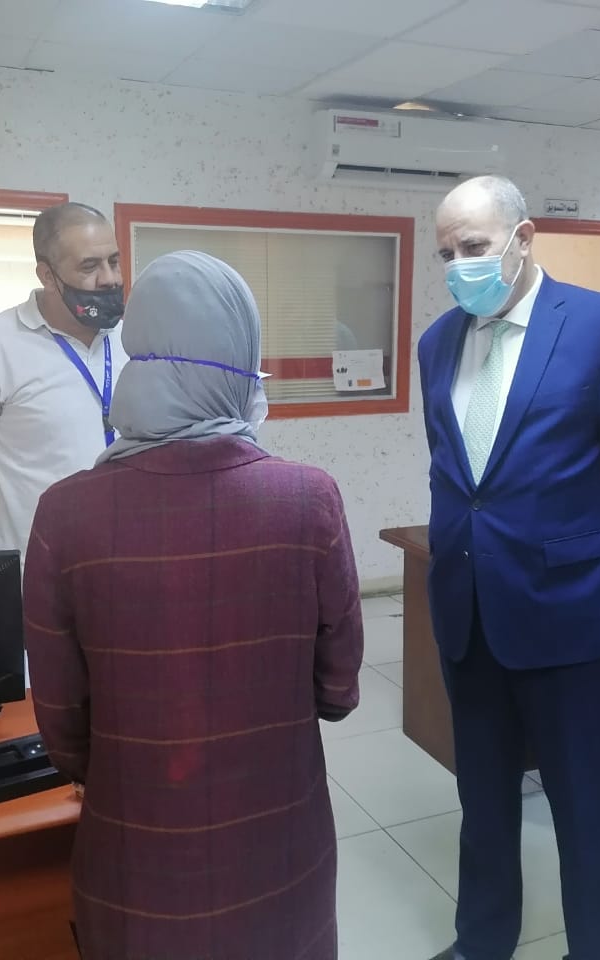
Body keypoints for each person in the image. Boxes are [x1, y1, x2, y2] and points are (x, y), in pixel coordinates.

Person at [22, 250, 363, 960]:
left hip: (136, 846)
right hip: (279, 840)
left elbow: (62, 724)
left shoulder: (65, 514)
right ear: (240, 361)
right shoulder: (308, 499)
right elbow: (337, 689)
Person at [418, 176, 600, 960]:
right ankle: (481, 942)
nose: (459, 266)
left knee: (584, 806)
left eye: (473, 247)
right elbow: (457, 474)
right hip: (469, 612)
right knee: (482, 797)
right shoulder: (438, 343)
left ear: (523, 238)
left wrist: (586, 557)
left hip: (571, 617)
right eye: (446, 254)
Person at [0, 202, 127, 556]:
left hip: (125, 560)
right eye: (90, 266)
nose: (109, 279)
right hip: (35, 568)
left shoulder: (135, 339)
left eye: (113, 262)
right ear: (47, 276)